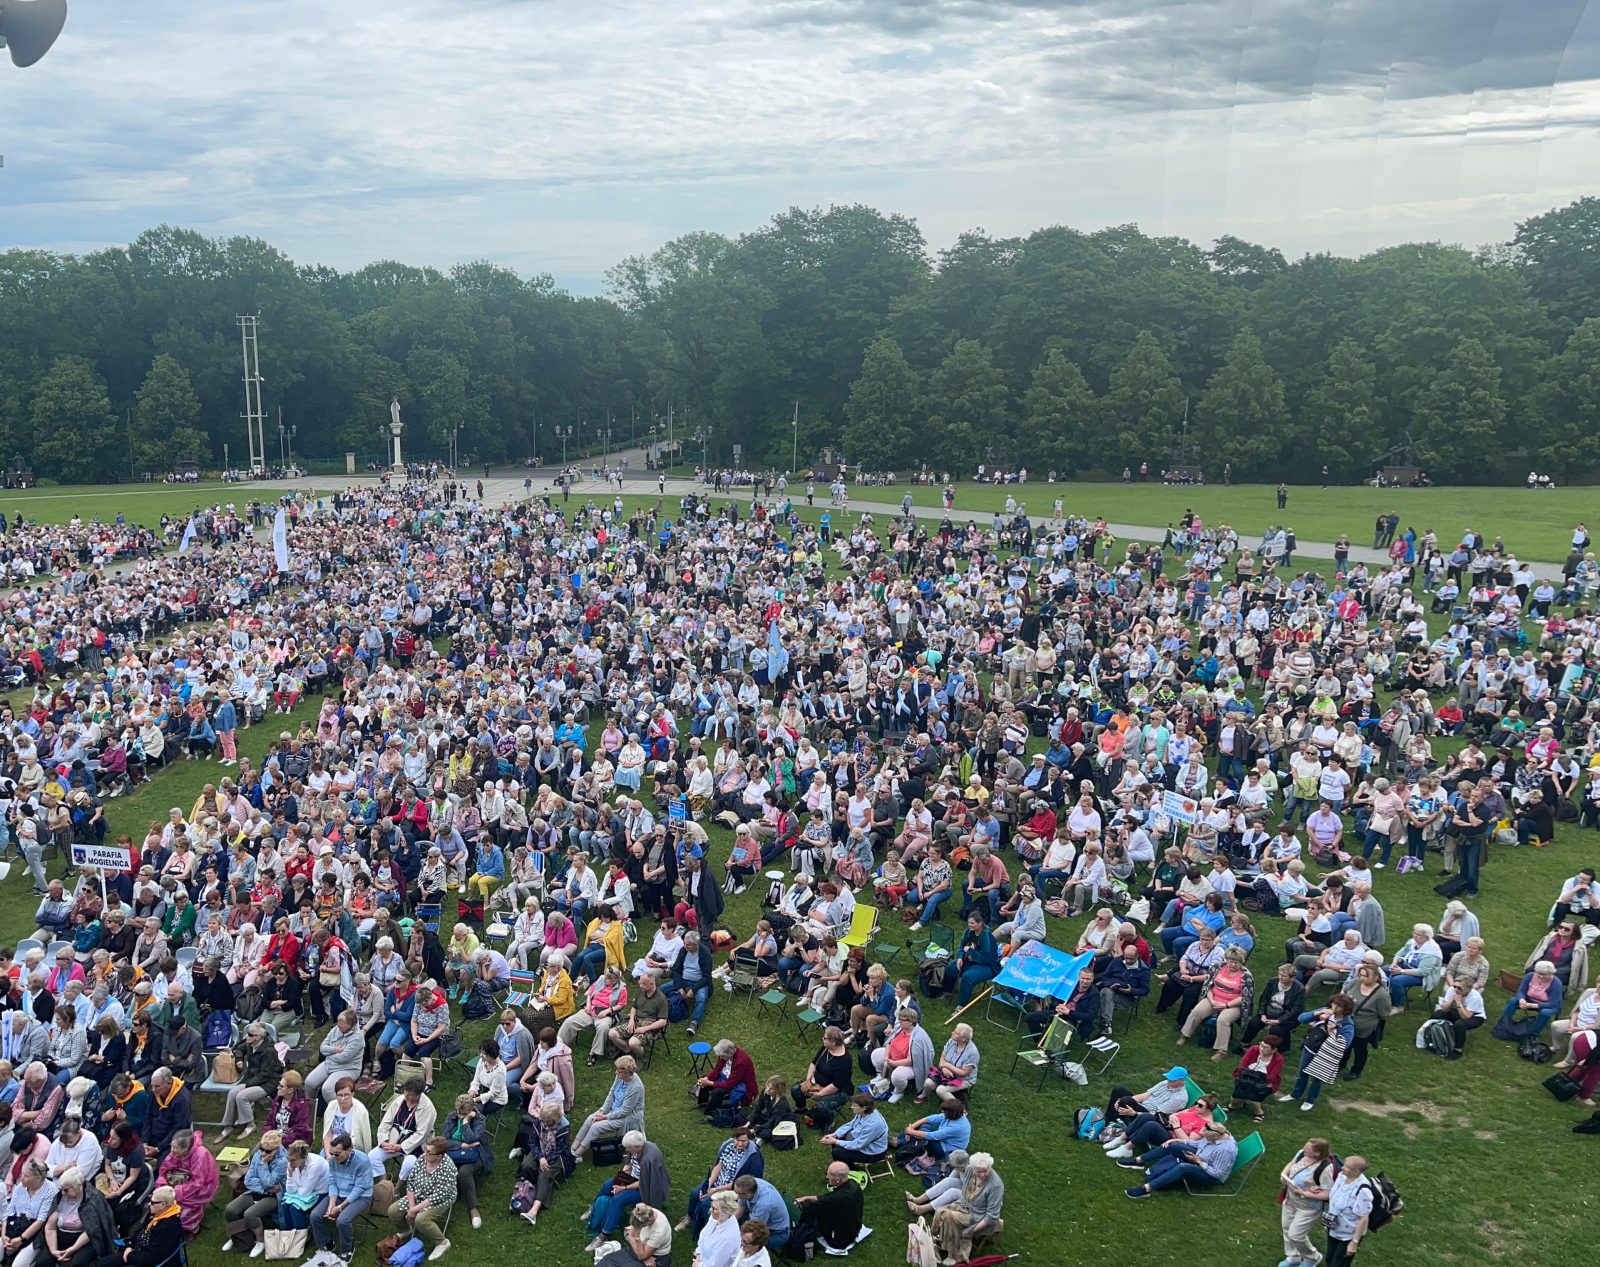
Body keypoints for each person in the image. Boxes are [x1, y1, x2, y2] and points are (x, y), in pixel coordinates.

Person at [581, 1130, 670, 1250]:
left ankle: (604, 1235)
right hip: (632, 1179)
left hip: (645, 1189)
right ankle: (594, 1208)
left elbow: (643, 1183)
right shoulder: (636, 1149)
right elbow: (629, 1163)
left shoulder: (649, 1159)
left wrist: (623, 1188)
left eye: (628, 1148)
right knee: (607, 1185)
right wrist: (621, 1177)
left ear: (637, 1146)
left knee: (617, 1200)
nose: (626, 1150)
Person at [1122, 1120, 1237, 1197]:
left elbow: (1217, 1173)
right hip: (1200, 1158)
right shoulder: (1215, 1135)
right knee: (1173, 1146)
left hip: (1210, 1175)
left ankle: (1147, 1189)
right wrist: (1176, 1140)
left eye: (1207, 1138)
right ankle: (1138, 1160)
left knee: (1183, 1167)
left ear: (1216, 1136)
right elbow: (1198, 1144)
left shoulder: (1225, 1150)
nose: (1205, 1139)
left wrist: (1198, 1161)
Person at [1281, 994, 1355, 1111]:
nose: (1334, 1007)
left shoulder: (1347, 1025)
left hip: (1326, 1055)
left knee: (1317, 1078)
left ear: (1346, 1009)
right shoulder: (1325, 1011)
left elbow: (1344, 1045)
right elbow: (1301, 1019)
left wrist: (1331, 1032)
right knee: (1302, 1073)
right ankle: (1295, 1094)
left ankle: (1310, 1100)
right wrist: (1317, 1013)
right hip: (1311, 1047)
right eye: (1334, 1003)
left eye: (1339, 1006)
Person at [388, 1136, 456, 1262]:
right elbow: (411, 1182)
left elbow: (437, 1197)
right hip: (420, 1194)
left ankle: (442, 1242)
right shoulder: (422, 1158)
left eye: (429, 1152)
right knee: (393, 1211)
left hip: (440, 1200)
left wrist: (414, 1210)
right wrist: (412, 1206)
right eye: (426, 1150)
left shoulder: (448, 1168)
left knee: (421, 1219)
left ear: (439, 1156)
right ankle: (406, 1229)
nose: (425, 1153)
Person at [929, 1151, 1003, 1262]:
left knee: (950, 1216)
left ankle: (956, 1255)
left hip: (978, 1215)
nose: (983, 1174)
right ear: (973, 1168)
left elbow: (992, 1217)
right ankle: (937, 1239)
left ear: (990, 1167)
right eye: (979, 1172)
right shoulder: (969, 1170)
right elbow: (958, 1169)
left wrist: (971, 1231)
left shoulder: (995, 1186)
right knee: (940, 1211)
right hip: (965, 1204)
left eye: (986, 1171)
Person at [222, 1129, 286, 1254]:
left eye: (268, 1151)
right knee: (231, 1209)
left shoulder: (282, 1161)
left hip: (273, 1196)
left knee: (250, 1214)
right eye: (262, 1149)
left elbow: (269, 1182)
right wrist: (265, 1187)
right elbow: (248, 1180)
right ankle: (237, 1236)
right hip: (257, 1191)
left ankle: (260, 1241)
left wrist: (262, 1164)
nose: (263, 1153)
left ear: (277, 1149)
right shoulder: (258, 1154)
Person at [1279, 1138, 1338, 1267]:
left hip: (1308, 1208)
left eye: (1308, 1148)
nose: (1304, 1149)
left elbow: (1327, 1193)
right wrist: (1284, 1174)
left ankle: (1312, 1257)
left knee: (1296, 1235)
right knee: (1287, 1228)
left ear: (1317, 1153)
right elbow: (1291, 1163)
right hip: (1290, 1201)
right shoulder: (1301, 1153)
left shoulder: (1325, 1168)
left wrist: (1303, 1193)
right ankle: (1293, 1257)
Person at [571, 1056, 645, 1158]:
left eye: (619, 1071)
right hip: (614, 1109)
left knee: (596, 1127)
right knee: (590, 1119)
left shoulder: (636, 1087)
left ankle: (576, 1155)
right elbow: (611, 1094)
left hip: (627, 1117)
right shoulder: (620, 1077)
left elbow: (624, 1111)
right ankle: (573, 1148)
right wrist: (602, 1111)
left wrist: (605, 1117)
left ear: (628, 1073)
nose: (616, 1072)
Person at [514, 1100, 573, 1226]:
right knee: (526, 1165)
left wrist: (547, 1160)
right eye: (543, 1120)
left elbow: (560, 1149)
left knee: (545, 1173)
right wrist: (541, 1157)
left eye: (547, 1121)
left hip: (556, 1155)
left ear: (555, 1119)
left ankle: (533, 1212)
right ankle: (533, 1188)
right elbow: (532, 1142)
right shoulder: (539, 1121)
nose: (544, 1123)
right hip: (540, 1149)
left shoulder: (564, 1127)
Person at [791, 1161, 864, 1257]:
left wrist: (800, 1206)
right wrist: (806, 1197)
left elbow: (820, 1203)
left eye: (829, 1176)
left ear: (837, 1180)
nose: (827, 1177)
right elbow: (825, 1198)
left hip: (839, 1240)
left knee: (812, 1212)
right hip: (854, 1228)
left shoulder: (836, 1199)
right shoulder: (854, 1185)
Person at [1324, 1155, 1375, 1267]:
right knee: (1330, 1260)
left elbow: (1363, 1218)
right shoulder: (1342, 1176)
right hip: (1334, 1228)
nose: (1342, 1167)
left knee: (1338, 1265)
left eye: (1346, 1167)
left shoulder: (1363, 1191)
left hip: (1348, 1236)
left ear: (1356, 1172)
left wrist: (1354, 1242)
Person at [120, 1185, 183, 1267]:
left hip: (150, 1261)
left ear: (162, 1205)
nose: (149, 1204)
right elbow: (140, 1231)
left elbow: (153, 1256)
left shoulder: (168, 1227)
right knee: (105, 1262)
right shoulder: (156, 1214)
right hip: (137, 1251)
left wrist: (129, 1255)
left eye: (152, 1202)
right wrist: (129, 1245)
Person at [1422, 978, 1486, 1058]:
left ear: (1468, 990)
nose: (1456, 989)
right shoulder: (1452, 990)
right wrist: (1452, 1000)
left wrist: (1458, 1003)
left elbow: (1466, 1017)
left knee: (1459, 1025)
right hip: (1456, 1011)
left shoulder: (1475, 997)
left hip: (1475, 1017)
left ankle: (1458, 1049)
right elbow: (1444, 1009)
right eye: (1455, 986)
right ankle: (1426, 1034)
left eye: (1459, 988)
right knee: (1438, 1014)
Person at [819, 1093, 888, 1165]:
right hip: (861, 1140)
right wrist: (834, 1135)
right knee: (835, 1135)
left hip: (872, 1152)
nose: (851, 1107)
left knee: (837, 1152)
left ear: (863, 1108)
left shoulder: (873, 1125)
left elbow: (858, 1145)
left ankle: (851, 1169)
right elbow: (852, 1124)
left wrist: (836, 1141)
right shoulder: (863, 1113)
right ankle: (841, 1161)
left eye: (854, 1106)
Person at [695, 1041, 757, 1119]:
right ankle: (703, 1102)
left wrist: (708, 1082)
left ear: (730, 1054)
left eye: (722, 1056)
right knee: (705, 1078)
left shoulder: (740, 1062)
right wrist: (706, 1078)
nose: (720, 1058)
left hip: (739, 1083)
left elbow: (729, 1084)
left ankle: (711, 1114)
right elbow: (717, 1068)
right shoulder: (724, 1054)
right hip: (726, 1076)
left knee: (717, 1092)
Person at [692, 1190, 741, 1267]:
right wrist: (698, 1256)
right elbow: (704, 1235)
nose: (710, 1210)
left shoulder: (728, 1239)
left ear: (724, 1212)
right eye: (711, 1206)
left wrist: (698, 1265)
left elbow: (716, 1264)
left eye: (714, 1208)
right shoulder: (716, 1217)